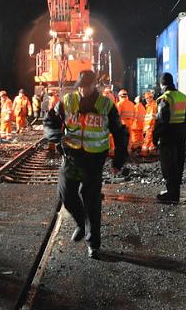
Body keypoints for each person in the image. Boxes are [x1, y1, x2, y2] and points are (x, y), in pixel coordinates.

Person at [44, 70, 128, 259]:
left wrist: (119, 159)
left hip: (93, 160)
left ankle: (93, 243)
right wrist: (54, 136)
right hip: (72, 156)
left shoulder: (106, 105)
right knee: (65, 195)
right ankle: (82, 224)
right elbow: (50, 121)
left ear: (94, 86)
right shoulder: (67, 102)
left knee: (91, 201)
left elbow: (120, 132)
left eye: (87, 86)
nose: (83, 90)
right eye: (80, 86)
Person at [153, 73, 186, 202]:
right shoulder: (182, 96)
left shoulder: (165, 98)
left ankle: (170, 193)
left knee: (168, 164)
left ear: (163, 84)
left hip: (168, 135)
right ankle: (176, 192)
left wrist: (155, 136)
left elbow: (162, 120)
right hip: (180, 134)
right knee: (178, 163)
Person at [116, 89, 136, 154]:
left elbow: (117, 115)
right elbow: (134, 115)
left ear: (120, 96)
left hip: (122, 124)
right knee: (129, 138)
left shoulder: (119, 104)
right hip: (130, 123)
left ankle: (122, 152)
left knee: (121, 138)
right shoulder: (132, 104)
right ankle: (128, 150)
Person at [141, 90, 158, 156]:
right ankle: (152, 151)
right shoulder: (150, 105)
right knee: (151, 140)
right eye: (146, 99)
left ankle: (144, 152)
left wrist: (148, 126)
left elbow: (151, 117)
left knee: (147, 140)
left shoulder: (152, 106)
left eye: (147, 98)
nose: (146, 100)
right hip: (150, 125)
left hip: (150, 126)